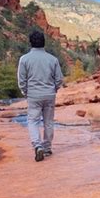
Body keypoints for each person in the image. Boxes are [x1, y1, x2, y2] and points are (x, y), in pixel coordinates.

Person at [17, 29, 64, 162]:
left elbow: (21, 79)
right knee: (48, 121)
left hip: (33, 95)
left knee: (32, 121)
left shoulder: (24, 59)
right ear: (44, 42)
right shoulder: (52, 59)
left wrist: (25, 92)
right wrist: (54, 88)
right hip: (49, 94)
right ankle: (47, 148)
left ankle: (38, 145)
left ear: (30, 43)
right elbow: (59, 79)